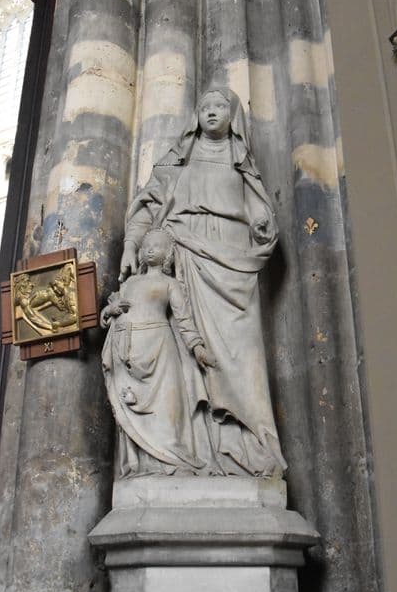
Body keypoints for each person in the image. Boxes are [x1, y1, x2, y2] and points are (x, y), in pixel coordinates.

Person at [119, 87, 287, 477]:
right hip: (184, 258)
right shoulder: (177, 161)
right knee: (185, 351)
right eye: (205, 106)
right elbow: (147, 207)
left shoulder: (241, 163)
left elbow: (260, 212)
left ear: (233, 116)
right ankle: (195, 452)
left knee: (242, 356)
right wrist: (130, 246)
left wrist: (262, 224)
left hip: (232, 265)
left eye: (220, 106)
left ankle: (251, 448)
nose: (211, 112)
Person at [102, 228, 215, 476]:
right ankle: (144, 463)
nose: (150, 249)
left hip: (161, 350)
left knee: (168, 408)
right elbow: (112, 312)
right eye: (146, 245)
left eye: (158, 246)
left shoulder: (169, 283)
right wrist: (110, 311)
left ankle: (173, 460)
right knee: (130, 404)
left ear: (168, 254)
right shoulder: (130, 283)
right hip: (127, 349)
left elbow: (184, 319)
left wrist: (197, 347)